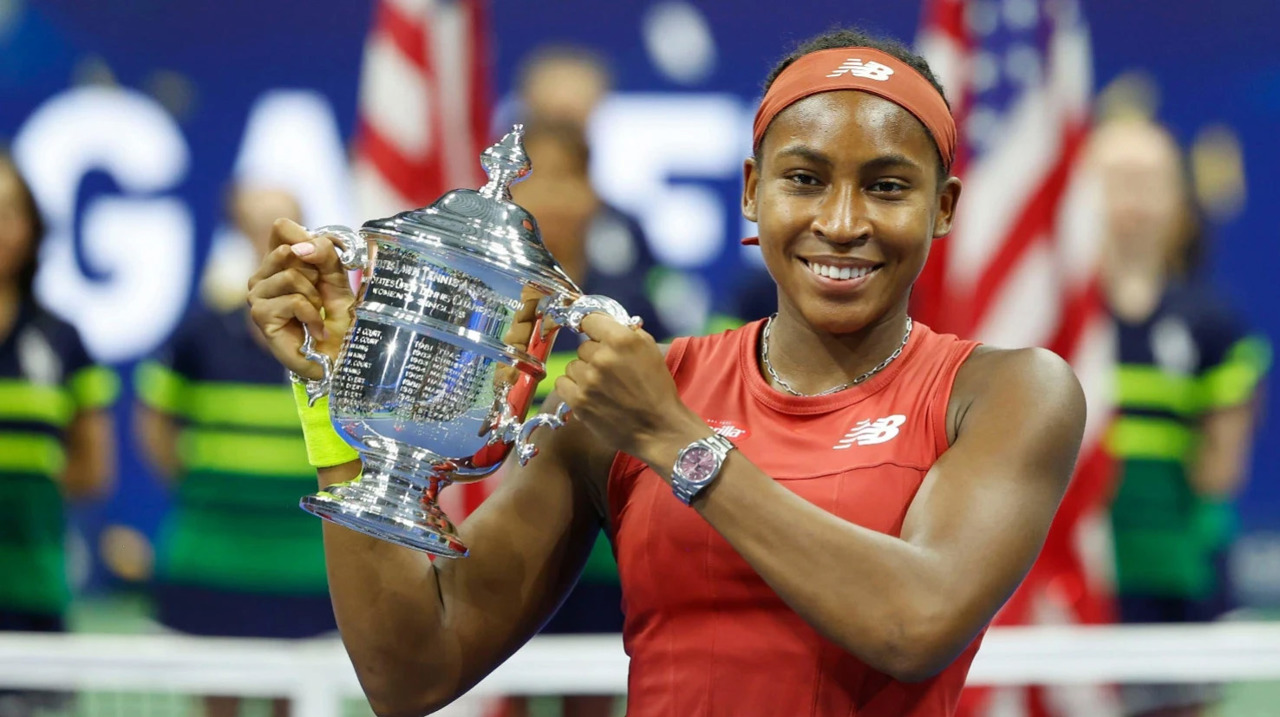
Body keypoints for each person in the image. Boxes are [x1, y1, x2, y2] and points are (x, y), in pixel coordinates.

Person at [248, 27, 1086, 717]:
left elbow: (914, 623)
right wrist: (335, 387)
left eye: (887, 187)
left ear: (943, 208)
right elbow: (411, 670)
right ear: (753, 194)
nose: (841, 221)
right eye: (804, 179)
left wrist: (675, 438)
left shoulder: (1009, 391)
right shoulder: (641, 394)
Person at [1091, 118, 1271, 717]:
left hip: (1178, 577)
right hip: (1075, 573)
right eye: (1117, 180)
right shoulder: (1051, 320)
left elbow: (1220, 474)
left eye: (1151, 181)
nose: (1134, 200)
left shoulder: (1214, 325)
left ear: (1179, 202)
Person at [135, 183, 336, 717]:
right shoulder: (199, 335)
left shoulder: (337, 339)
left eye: (284, 225)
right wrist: (209, 490)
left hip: (307, 565)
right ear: (241, 233)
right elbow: (155, 424)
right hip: (213, 561)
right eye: (257, 223)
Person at [0, 154, 117, 716]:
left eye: (8, 212)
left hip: (34, 592)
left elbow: (93, 469)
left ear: (32, 227)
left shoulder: (61, 339)